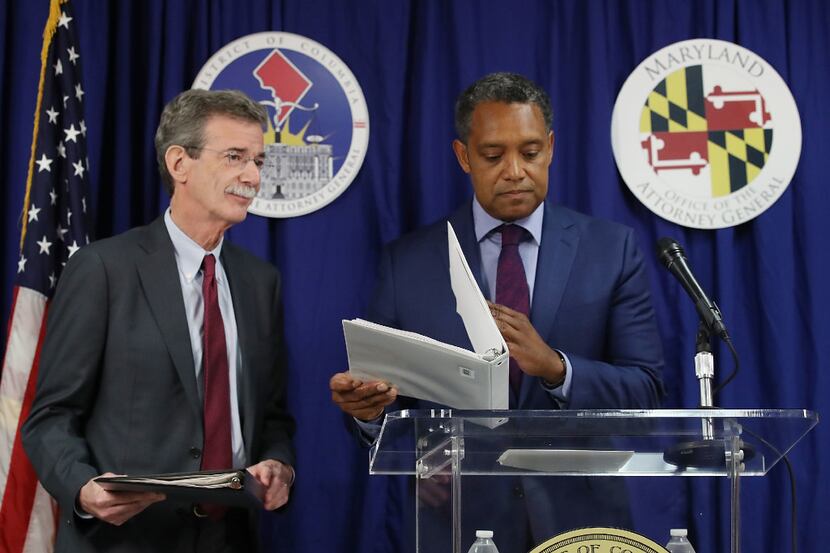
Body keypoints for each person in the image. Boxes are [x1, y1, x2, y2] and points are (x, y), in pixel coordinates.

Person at [330, 72, 665, 552]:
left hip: (582, 524)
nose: (514, 170)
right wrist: (368, 412)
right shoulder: (408, 262)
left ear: (550, 147)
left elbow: (648, 393)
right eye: (492, 156)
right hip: (456, 522)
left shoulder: (611, 250)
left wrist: (556, 368)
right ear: (464, 156)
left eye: (530, 153)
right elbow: (388, 412)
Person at [22, 89, 296, 553]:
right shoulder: (103, 270)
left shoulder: (259, 282)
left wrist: (278, 465)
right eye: (235, 157)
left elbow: (270, 417)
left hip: (229, 539)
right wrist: (85, 489)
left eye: (258, 161)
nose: (252, 176)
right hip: (125, 541)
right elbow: (50, 418)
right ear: (179, 163)